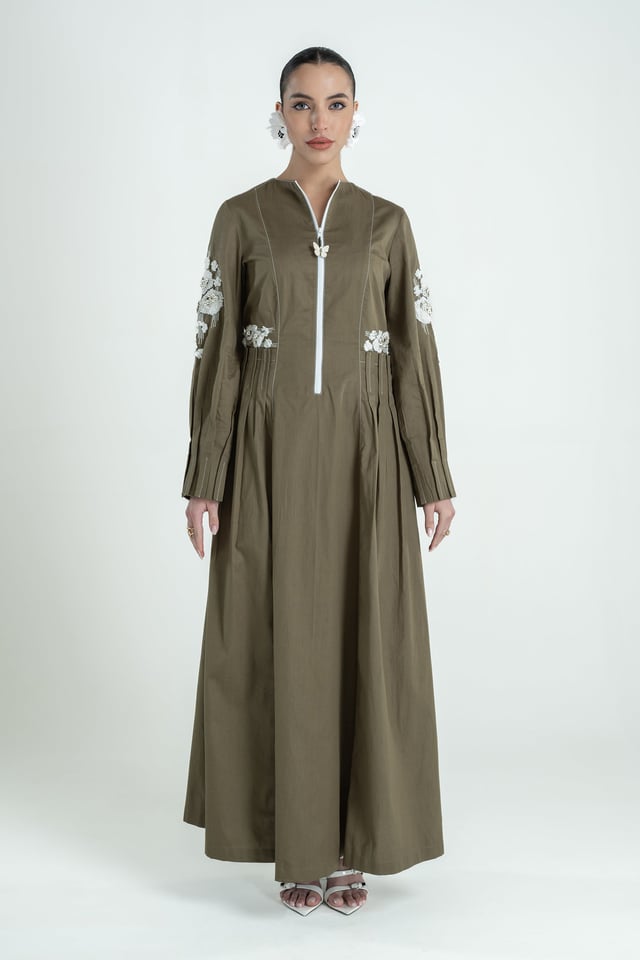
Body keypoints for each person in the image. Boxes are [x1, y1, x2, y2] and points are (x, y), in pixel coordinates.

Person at [181, 46, 457, 917]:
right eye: (302, 103)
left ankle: (350, 849)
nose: (319, 120)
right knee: (279, 639)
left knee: (362, 640)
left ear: (356, 113)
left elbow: (412, 355)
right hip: (267, 457)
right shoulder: (241, 218)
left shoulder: (388, 224)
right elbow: (218, 353)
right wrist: (205, 476)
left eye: (336, 103)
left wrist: (432, 475)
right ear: (279, 113)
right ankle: (297, 849)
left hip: (365, 460)